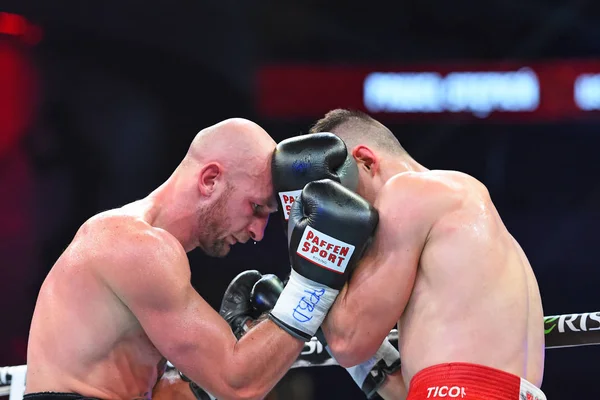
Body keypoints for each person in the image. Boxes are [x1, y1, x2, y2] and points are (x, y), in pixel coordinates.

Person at [24, 118, 378, 400]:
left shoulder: (151, 254)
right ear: (210, 179)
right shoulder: (134, 245)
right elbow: (238, 385)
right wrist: (310, 285)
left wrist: (200, 385)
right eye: (256, 208)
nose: (258, 232)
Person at [267, 109, 546, 399]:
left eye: (339, 195)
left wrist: (305, 256)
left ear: (364, 160)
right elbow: (424, 387)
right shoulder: (471, 225)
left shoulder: (407, 190)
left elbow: (347, 342)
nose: (340, 209)